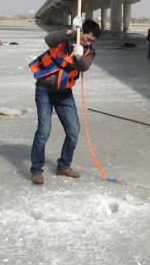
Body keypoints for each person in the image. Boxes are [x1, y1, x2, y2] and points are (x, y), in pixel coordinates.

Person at [28, 20, 101, 185]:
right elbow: (48, 40)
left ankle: (63, 165)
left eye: (91, 41)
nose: (88, 42)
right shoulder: (64, 38)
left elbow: (84, 67)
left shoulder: (90, 51)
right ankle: (36, 169)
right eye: (87, 38)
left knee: (74, 131)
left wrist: (79, 55)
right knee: (44, 131)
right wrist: (69, 33)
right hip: (44, 91)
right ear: (81, 31)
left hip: (65, 94)